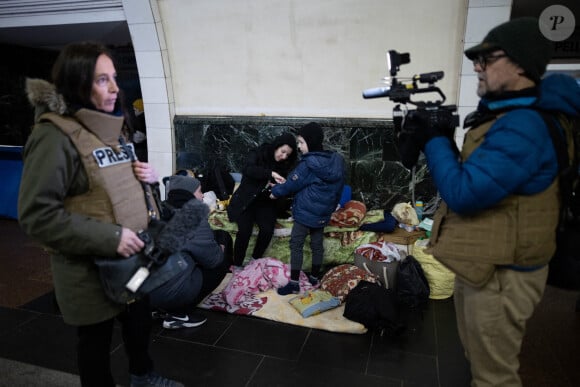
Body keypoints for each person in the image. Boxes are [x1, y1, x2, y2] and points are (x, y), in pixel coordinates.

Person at [413, 18, 580, 386]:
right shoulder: (514, 115)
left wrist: (435, 138)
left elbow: (464, 193)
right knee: (482, 362)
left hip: (503, 273)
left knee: (494, 377)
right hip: (490, 263)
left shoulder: (524, 125)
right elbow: (482, 178)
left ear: (520, 64)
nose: (477, 66)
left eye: (487, 58)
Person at [18, 42, 183, 387]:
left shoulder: (112, 127)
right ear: (77, 83)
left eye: (114, 78)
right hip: (89, 272)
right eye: (101, 80)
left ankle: (143, 376)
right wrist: (110, 238)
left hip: (136, 261)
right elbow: (36, 215)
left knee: (139, 322)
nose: (114, 88)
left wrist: (148, 180)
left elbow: (116, 185)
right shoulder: (54, 137)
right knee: (95, 344)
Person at [270, 122, 345, 295]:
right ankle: (314, 278)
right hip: (323, 213)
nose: (299, 146)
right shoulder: (337, 161)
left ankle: (294, 283)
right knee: (317, 245)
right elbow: (340, 188)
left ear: (311, 142)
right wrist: (332, 206)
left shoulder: (308, 164)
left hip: (305, 213)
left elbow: (291, 185)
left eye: (301, 142)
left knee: (296, 244)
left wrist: (274, 192)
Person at [149, 174, 232, 329]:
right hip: (167, 295)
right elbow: (213, 260)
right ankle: (179, 313)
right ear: (189, 193)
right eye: (200, 192)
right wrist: (220, 249)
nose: (202, 196)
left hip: (141, 292)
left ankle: (155, 308)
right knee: (220, 262)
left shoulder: (158, 211)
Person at [227, 132, 297, 266]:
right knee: (245, 231)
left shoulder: (284, 165)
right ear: (276, 146)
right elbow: (249, 169)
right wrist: (270, 174)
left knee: (267, 230)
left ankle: (254, 261)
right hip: (246, 200)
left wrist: (275, 188)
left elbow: (277, 191)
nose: (284, 156)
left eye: (287, 155)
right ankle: (236, 265)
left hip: (265, 202)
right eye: (282, 152)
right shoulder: (258, 153)